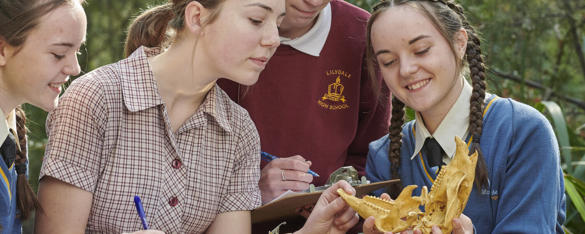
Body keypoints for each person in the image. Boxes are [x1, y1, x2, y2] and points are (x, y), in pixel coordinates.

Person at [362, 0, 566, 233]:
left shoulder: (521, 132)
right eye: (388, 61)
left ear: (460, 43)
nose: (405, 69)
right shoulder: (383, 157)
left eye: (421, 50)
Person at [218, 0, 390, 204]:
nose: (314, 2)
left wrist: (345, 201)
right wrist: (250, 190)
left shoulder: (360, 32)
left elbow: (370, 154)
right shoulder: (220, 26)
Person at [0, 0, 86, 232]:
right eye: (59, 54)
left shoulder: (11, 137)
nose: (75, 68)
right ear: (2, 50)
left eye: (77, 51)